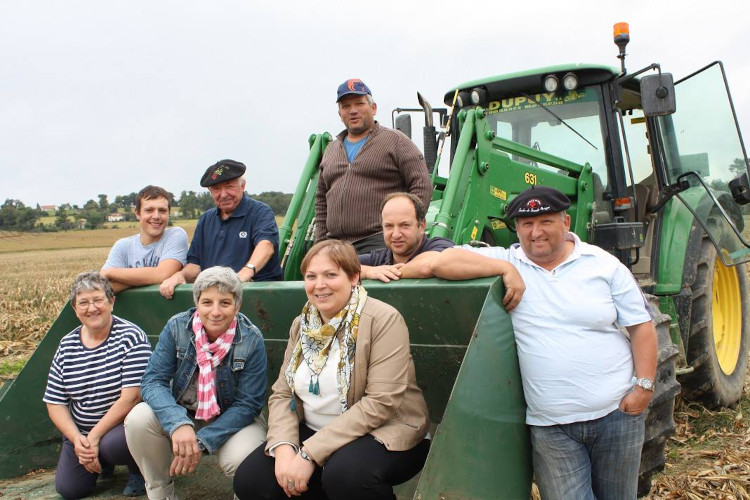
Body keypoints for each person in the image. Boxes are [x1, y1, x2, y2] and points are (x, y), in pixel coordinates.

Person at [430, 186, 657, 499]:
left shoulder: (603, 265)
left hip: (615, 416)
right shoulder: (507, 260)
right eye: (526, 224)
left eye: (546, 222)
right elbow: (444, 261)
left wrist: (643, 387)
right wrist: (505, 268)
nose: (536, 232)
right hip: (553, 428)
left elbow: (641, 327)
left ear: (565, 223)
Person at [233, 240, 430, 500]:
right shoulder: (302, 324)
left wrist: (309, 453)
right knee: (252, 481)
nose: (319, 285)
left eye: (331, 274)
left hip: (383, 430)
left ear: (354, 277)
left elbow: (381, 403)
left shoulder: (383, 320)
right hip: (315, 428)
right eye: (311, 276)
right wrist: (283, 448)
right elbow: (282, 394)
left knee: (345, 476)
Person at [125, 266, 268, 500]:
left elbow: (248, 404)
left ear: (237, 305)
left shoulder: (251, 339)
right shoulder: (177, 327)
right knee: (138, 419)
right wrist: (178, 423)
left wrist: (201, 441)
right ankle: (161, 493)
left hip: (231, 420)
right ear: (197, 303)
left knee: (244, 458)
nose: (215, 311)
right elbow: (153, 381)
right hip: (184, 413)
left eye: (225, 303)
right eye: (207, 302)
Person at [43, 271, 152, 499]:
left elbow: (132, 397)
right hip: (81, 432)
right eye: (83, 302)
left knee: (112, 446)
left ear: (111, 301)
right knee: (70, 490)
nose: (91, 308)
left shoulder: (131, 337)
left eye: (98, 300)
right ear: (75, 309)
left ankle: (139, 469)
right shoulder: (67, 344)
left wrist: (94, 438)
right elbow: (55, 402)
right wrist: (78, 439)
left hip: (120, 428)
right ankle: (97, 458)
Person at [314, 79, 433, 254]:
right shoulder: (331, 150)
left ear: (374, 108)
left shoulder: (395, 141)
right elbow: (321, 201)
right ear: (340, 114)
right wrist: (320, 244)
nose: (353, 110)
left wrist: (403, 230)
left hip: (379, 242)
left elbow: (422, 184)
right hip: (336, 245)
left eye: (359, 104)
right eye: (346, 106)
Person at [160, 159, 283, 299]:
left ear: (242, 186)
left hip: (255, 296)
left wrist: (244, 274)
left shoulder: (260, 212)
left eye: (229, 186)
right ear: (210, 192)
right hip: (215, 298)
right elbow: (195, 264)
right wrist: (179, 276)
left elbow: (266, 245)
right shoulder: (206, 219)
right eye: (216, 189)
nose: (223, 194)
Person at [100, 185, 188, 293]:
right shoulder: (122, 246)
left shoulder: (176, 235)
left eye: (162, 210)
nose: (156, 216)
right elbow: (104, 288)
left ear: (168, 213)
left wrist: (110, 272)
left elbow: (162, 274)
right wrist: (146, 279)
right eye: (149, 210)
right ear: (137, 213)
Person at [360, 192, 454, 282]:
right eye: (389, 226)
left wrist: (387, 272)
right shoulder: (378, 258)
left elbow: (430, 265)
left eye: (404, 225)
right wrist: (368, 271)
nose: (396, 234)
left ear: (421, 226)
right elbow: (345, 266)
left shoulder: (441, 246)